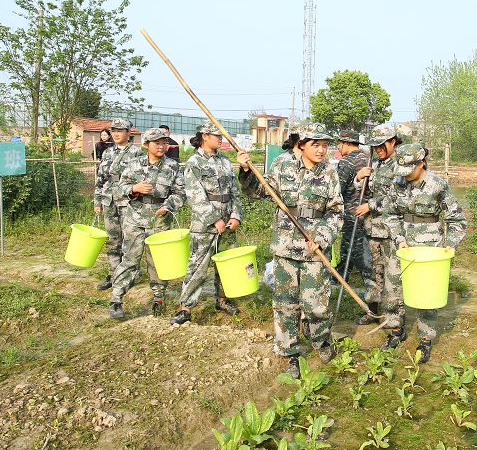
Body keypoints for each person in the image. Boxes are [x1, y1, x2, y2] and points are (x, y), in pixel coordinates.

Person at [236, 123, 343, 379]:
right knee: (285, 304)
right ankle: (290, 351)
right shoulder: (282, 164)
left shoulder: (328, 171)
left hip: (314, 248)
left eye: (325, 145)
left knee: (316, 302)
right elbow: (259, 191)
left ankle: (321, 340)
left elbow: (337, 212)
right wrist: (245, 170)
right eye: (315, 144)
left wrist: (322, 237)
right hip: (285, 246)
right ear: (301, 143)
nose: (321, 149)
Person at [383, 142, 467, 363]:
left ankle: (425, 340)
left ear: (421, 164)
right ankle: (395, 331)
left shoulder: (437, 185)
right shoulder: (397, 184)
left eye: (409, 170)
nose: (405, 175)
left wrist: (451, 244)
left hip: (429, 246)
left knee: (426, 295)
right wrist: (399, 238)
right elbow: (389, 214)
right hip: (402, 246)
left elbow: (457, 219)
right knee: (393, 289)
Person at [171, 122, 243, 324]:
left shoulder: (225, 162)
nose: (220, 138)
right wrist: (215, 220)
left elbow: (235, 192)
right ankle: (186, 307)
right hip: (205, 226)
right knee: (197, 266)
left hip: (228, 223)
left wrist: (235, 215)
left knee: (226, 264)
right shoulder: (195, 162)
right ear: (204, 136)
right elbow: (196, 196)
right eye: (216, 135)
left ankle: (223, 299)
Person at [109, 128, 185, 319]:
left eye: (164, 143)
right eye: (157, 143)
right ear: (146, 145)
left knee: (158, 262)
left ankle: (158, 298)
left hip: (160, 220)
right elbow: (118, 190)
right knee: (129, 260)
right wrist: (134, 188)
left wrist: (169, 206)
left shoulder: (173, 167)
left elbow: (181, 193)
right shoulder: (134, 165)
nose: (161, 146)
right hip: (135, 219)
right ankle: (116, 299)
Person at [353, 124, 402, 326]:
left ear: (393, 142)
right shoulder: (376, 164)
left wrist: (370, 206)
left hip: (391, 231)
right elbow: (364, 190)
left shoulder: (401, 165)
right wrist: (359, 178)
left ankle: (395, 318)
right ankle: (372, 312)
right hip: (372, 229)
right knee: (373, 272)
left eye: (383, 145)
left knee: (392, 276)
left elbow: (398, 197)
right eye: (375, 147)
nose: (379, 150)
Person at [93, 119, 144, 291]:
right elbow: (100, 178)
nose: (116, 134)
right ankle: (114, 274)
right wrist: (97, 201)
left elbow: (141, 180)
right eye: (113, 130)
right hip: (109, 200)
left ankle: (129, 275)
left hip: (128, 202)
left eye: (120, 131)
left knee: (129, 241)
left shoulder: (137, 153)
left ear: (128, 133)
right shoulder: (107, 152)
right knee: (113, 239)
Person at [335, 129, 376, 305]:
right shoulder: (368, 159)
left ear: (345, 143)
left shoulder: (347, 162)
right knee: (352, 247)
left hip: (353, 212)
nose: (338, 147)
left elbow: (337, 189)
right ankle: (341, 273)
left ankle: (369, 286)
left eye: (339, 143)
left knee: (355, 247)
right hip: (369, 212)